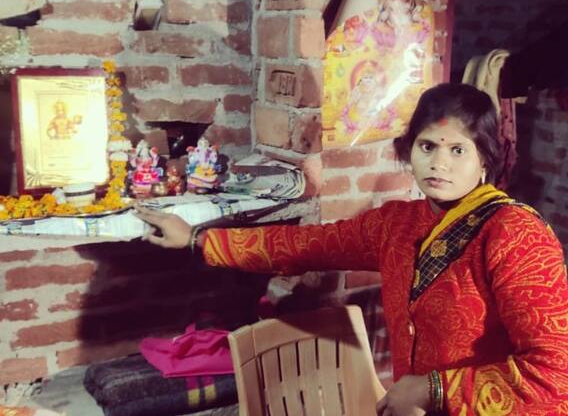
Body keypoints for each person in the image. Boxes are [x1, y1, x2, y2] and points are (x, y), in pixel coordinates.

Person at [134, 83, 568, 415]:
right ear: (409, 150)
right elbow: (306, 245)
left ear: (485, 160)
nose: (440, 163)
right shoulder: (397, 224)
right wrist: (197, 238)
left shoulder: (514, 235)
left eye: (458, 149)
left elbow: (556, 377)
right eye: (428, 146)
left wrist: (432, 389)